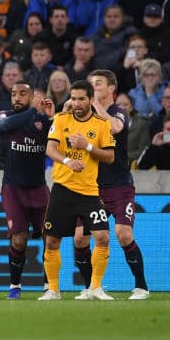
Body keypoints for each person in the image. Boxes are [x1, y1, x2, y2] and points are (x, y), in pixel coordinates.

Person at [40, 79, 116, 301]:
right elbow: (50, 149)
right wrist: (66, 161)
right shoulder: (61, 119)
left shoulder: (102, 124)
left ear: (91, 99)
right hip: (62, 189)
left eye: (81, 98)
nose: (76, 103)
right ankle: (53, 290)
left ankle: (95, 287)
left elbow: (110, 157)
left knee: (102, 237)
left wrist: (88, 146)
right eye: (73, 98)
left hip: (89, 192)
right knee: (52, 241)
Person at [79, 70, 149, 300]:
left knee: (123, 234)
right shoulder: (85, 115)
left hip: (119, 185)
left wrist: (95, 104)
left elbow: (115, 128)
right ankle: (91, 287)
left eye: (98, 83)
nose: (93, 87)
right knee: (80, 238)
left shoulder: (118, 111)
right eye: (91, 84)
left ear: (111, 88)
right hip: (91, 186)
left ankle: (141, 287)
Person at [0, 81, 54, 299]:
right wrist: (33, 111)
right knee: (19, 239)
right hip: (13, 189)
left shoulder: (41, 120)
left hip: (38, 188)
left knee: (50, 238)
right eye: (13, 94)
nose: (16, 97)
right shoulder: (5, 115)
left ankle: (50, 286)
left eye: (22, 94)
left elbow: (58, 138)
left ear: (32, 96)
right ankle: (15, 285)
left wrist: (50, 117)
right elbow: (5, 127)